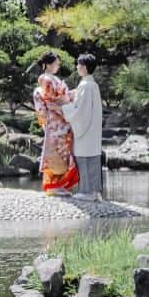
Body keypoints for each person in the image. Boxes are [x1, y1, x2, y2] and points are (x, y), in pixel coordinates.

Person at [32, 52, 79, 195]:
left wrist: (71, 95)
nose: (58, 65)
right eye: (56, 63)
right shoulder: (46, 79)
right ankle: (54, 186)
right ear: (47, 64)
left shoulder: (51, 79)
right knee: (58, 152)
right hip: (57, 120)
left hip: (57, 120)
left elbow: (43, 108)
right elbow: (55, 99)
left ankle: (57, 185)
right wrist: (70, 98)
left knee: (61, 151)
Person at [61, 53, 104, 200]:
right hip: (93, 129)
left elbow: (81, 111)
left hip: (85, 129)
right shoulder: (93, 85)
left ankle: (87, 192)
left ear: (85, 68)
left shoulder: (85, 85)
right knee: (93, 159)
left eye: (79, 65)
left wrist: (66, 106)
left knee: (84, 159)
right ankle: (95, 191)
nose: (77, 67)